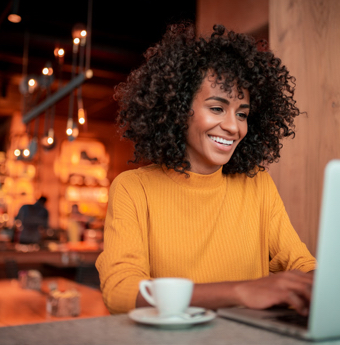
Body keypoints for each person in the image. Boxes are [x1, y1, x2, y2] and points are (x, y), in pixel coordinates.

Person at [96, 22, 316, 316]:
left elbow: (303, 265)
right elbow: (120, 291)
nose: (233, 126)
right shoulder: (134, 189)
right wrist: (238, 291)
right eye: (216, 108)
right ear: (177, 108)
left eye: (242, 114)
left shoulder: (257, 185)